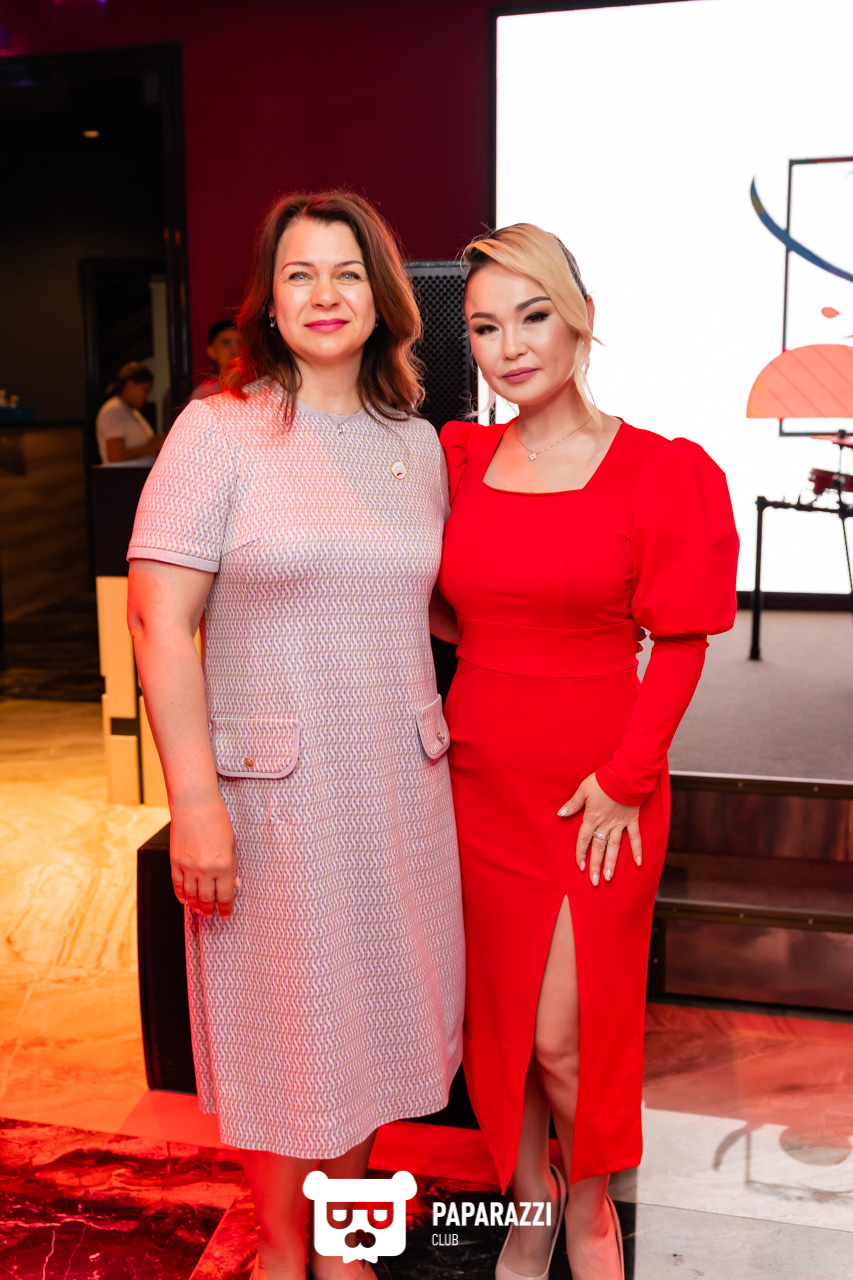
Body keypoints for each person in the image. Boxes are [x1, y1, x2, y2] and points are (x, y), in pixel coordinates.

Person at [126, 191, 464, 1280]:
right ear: (268, 303)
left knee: (372, 1022)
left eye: (347, 273)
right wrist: (194, 804)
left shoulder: (415, 444)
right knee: (286, 1033)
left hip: (397, 787)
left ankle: (344, 1248)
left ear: (382, 298)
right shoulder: (218, 429)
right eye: (300, 274)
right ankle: (283, 1249)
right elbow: (158, 621)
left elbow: (440, 606)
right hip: (270, 797)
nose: (325, 294)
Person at [432, 224, 739, 1280]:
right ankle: (531, 1199)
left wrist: (624, 778)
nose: (510, 346)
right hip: (474, 781)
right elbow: (429, 600)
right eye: (484, 327)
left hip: (593, 794)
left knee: (565, 1033)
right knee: (501, 1021)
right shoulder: (460, 461)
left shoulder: (658, 469)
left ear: (581, 320)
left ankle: (593, 1204)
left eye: (533, 316)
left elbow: (684, 640)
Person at [96, 362, 163, 464]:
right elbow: (115, 456)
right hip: (123, 473)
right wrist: (152, 446)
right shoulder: (113, 410)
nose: (146, 397)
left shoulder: (131, 410)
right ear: (130, 385)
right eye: (145, 391)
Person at [191, 318, 241, 399]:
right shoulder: (203, 395)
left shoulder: (257, 389)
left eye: (239, 343)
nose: (235, 350)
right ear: (211, 351)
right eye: (226, 344)